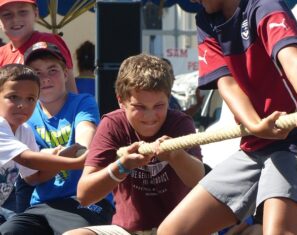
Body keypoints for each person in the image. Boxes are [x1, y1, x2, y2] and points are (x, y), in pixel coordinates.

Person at [157, 0, 297, 234]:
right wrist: (255, 125)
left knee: (278, 231)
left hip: (296, 139)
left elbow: (292, 57)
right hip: (254, 145)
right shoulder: (206, 20)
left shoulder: (264, 5)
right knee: (173, 231)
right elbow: (228, 83)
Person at [63, 53, 205, 235]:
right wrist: (123, 166)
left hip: (180, 228)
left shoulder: (180, 123)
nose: (150, 116)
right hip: (128, 230)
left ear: (168, 98)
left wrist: (176, 155)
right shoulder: (113, 124)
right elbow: (84, 195)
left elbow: (199, 181)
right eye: (140, 107)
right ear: (121, 101)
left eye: (159, 106)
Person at [0, 42, 115, 235]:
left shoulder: (82, 102)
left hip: (85, 201)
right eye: (37, 72)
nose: (45, 78)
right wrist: (72, 160)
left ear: (66, 73)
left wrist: (80, 151)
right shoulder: (22, 119)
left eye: (52, 70)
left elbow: (85, 134)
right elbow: (28, 161)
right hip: (42, 205)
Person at [0, 63, 87, 224]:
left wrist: (62, 159)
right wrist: (74, 162)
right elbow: (27, 159)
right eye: (13, 97)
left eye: (31, 99)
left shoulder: (24, 131)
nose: (23, 105)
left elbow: (33, 177)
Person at [0, 0, 77, 93]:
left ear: (36, 14)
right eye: (7, 14)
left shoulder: (47, 42)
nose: (15, 19)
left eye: (23, 12)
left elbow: (70, 92)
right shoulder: (1, 53)